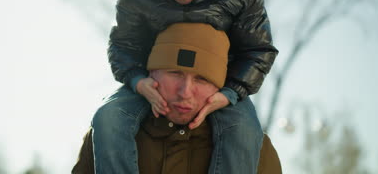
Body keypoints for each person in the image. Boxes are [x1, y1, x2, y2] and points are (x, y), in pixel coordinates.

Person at [93, 0, 279, 173]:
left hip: (221, 84)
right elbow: (124, 44)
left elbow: (257, 49)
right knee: (108, 118)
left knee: (244, 131)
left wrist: (230, 93)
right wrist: (137, 80)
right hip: (153, 80)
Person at [75, 23, 281, 174]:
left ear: (220, 85)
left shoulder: (253, 148)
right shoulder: (105, 139)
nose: (185, 91)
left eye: (202, 79)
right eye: (174, 73)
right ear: (151, 73)